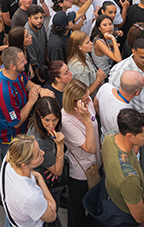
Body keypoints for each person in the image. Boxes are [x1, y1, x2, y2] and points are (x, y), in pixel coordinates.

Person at [109, 36, 144, 183]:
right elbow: (114, 100)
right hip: (132, 129)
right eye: (142, 58)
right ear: (133, 51)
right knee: (132, 161)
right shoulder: (119, 71)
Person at [99, 108, 144, 226]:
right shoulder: (129, 178)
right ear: (130, 136)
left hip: (110, 197)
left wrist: (142, 190)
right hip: (124, 217)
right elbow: (140, 217)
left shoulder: (110, 137)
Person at [0, 46, 51, 156]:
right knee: (17, 161)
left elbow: (25, 81)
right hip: (11, 136)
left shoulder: (12, 71)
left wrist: (40, 90)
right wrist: (31, 101)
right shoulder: (4, 91)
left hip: (22, 129)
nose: (25, 62)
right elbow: (16, 122)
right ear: (12, 66)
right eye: (22, 61)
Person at [61, 79, 100, 227]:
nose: (89, 100)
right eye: (85, 99)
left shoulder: (87, 104)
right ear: (74, 102)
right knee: (77, 207)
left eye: (88, 96)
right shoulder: (66, 120)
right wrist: (87, 120)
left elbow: (96, 129)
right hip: (80, 171)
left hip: (95, 163)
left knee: (92, 202)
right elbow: (90, 147)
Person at [0, 134, 58, 227]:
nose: (43, 153)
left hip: (13, 216)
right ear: (24, 164)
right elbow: (52, 216)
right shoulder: (32, 196)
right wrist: (39, 177)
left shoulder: (10, 159)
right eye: (38, 154)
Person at [27, 97, 67, 227]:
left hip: (46, 176)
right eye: (47, 120)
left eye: (55, 119)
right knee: (50, 217)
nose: (51, 125)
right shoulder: (39, 142)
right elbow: (57, 171)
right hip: (46, 184)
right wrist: (60, 147)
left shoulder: (38, 126)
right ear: (39, 115)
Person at [95, 70, 144, 138]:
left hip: (104, 139)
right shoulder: (127, 113)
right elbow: (129, 138)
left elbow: (95, 104)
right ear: (137, 92)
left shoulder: (105, 87)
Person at [66, 31, 105, 97]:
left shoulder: (84, 54)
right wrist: (98, 79)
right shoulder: (79, 67)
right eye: (87, 43)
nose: (91, 43)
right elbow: (84, 94)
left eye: (89, 41)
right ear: (79, 47)